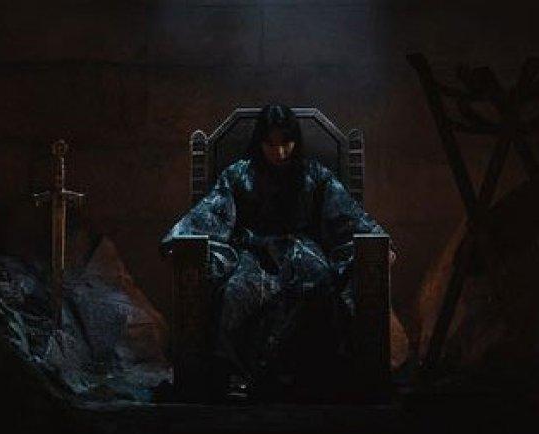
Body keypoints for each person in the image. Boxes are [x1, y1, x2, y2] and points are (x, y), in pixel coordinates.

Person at [162, 104, 390, 399]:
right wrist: (179, 245)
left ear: (296, 141)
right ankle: (236, 377)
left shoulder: (315, 175)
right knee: (234, 294)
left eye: (286, 143)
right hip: (254, 254)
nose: (279, 152)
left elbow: (346, 216)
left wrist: (380, 246)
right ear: (260, 142)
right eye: (271, 144)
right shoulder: (239, 175)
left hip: (304, 252)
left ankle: (316, 376)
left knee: (322, 288)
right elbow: (212, 213)